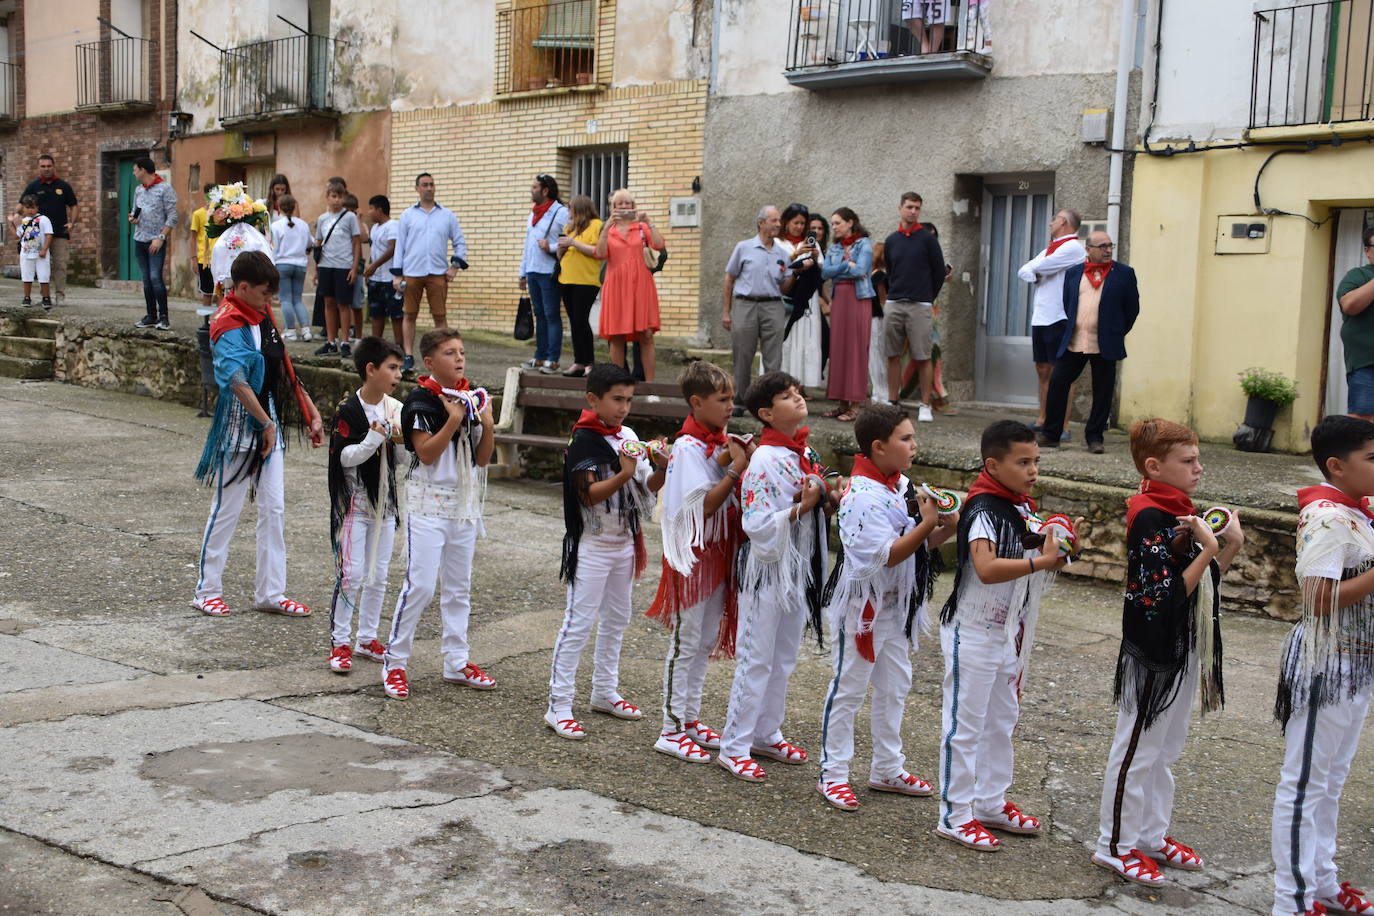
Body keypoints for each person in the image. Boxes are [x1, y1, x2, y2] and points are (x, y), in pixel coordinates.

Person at [1093, 419, 1243, 887]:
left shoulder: (1177, 510)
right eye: (1188, 461)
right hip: (1154, 649)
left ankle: (1151, 836)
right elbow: (1164, 596)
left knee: (1164, 749)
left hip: (1182, 644)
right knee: (1137, 747)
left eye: (1198, 458)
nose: (1199, 467)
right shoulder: (1149, 515)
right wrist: (1211, 546)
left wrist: (1228, 546)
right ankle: (1113, 845)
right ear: (1154, 467)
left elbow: (1201, 584)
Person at [936, 420, 1070, 851]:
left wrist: (1062, 547)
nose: (1033, 470)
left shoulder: (1015, 506)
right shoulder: (982, 510)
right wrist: (1041, 564)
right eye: (1023, 462)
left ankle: (990, 802)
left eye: (1036, 461)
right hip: (972, 632)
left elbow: (1033, 550)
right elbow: (987, 569)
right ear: (993, 464)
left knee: (1000, 723)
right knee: (965, 727)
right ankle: (955, 815)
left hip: (1004, 632)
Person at [816, 403, 954, 810]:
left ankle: (887, 767)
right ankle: (833, 773)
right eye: (906, 439)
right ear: (878, 447)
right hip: (863, 608)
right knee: (849, 688)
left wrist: (947, 525)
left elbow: (917, 550)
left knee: (896, 686)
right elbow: (888, 555)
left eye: (913, 437)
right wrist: (929, 524)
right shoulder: (860, 495)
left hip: (896, 606)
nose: (914, 445)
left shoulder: (901, 484)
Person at [1270, 415, 1374, 916]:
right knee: (1306, 782)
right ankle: (1291, 900)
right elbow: (1318, 599)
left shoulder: (1358, 512)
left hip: (1355, 665)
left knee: (1330, 781)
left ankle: (1324, 884)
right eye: (1372, 459)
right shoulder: (1329, 517)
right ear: (1337, 465)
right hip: (1325, 664)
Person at [192, 250, 324, 618]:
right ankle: (207, 590)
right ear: (244, 287)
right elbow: (234, 380)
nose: (272, 300)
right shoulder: (226, 321)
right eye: (266, 293)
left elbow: (283, 366)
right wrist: (265, 424)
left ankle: (271, 591)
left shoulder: (262, 315)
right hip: (240, 419)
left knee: (274, 507)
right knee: (227, 507)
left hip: (268, 415)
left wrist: (309, 410)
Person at [718, 371, 828, 781]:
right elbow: (758, 525)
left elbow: (815, 490)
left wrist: (823, 494)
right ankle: (734, 744)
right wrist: (805, 504)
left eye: (799, 393)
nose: (798, 399)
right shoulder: (765, 459)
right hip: (766, 571)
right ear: (766, 413)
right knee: (756, 658)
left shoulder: (803, 451)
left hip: (795, 568)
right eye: (786, 396)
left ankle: (766, 732)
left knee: (782, 658)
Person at [546, 362, 664, 738]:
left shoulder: (627, 434)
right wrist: (625, 473)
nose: (624, 407)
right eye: (617, 400)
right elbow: (587, 494)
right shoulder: (583, 439)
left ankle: (604, 691)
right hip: (593, 544)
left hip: (624, 543)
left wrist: (662, 467)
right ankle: (559, 704)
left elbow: (649, 484)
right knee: (578, 623)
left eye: (629, 400)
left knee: (617, 619)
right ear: (593, 399)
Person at [382, 328, 496, 700]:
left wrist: (488, 424)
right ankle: (395, 663)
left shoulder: (469, 399)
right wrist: (451, 420)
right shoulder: (420, 400)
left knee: (459, 588)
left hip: (462, 505)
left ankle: (456, 660)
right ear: (430, 362)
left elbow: (481, 459)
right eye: (450, 353)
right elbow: (426, 454)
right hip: (428, 505)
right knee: (421, 586)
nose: (459, 358)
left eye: (461, 351)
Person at [645, 360, 749, 762]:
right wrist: (736, 471)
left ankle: (689, 718)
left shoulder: (712, 442)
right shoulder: (688, 447)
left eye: (731, 399)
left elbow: (713, 475)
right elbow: (701, 507)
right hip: (692, 556)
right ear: (696, 402)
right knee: (687, 642)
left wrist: (729, 460)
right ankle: (670, 727)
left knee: (704, 641)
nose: (729, 407)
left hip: (715, 553)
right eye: (722, 400)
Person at [326, 336, 406, 674]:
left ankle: (367, 637)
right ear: (370, 370)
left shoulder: (396, 408)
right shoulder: (348, 410)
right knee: (352, 574)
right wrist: (374, 438)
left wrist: (400, 441)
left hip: (385, 503)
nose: (398, 374)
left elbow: (403, 458)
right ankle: (340, 641)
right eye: (392, 367)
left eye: (400, 368)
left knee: (379, 575)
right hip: (355, 504)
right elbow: (344, 457)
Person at [1038, 230, 1140, 454]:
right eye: (1102, 246)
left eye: (1110, 245)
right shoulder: (1074, 273)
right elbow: (1068, 303)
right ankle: (1051, 434)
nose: (1107, 250)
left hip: (1105, 342)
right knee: (1058, 383)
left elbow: (1132, 309)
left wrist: (1116, 332)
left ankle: (1094, 437)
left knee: (1102, 391)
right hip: (1075, 341)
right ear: (1088, 250)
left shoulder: (1124, 274)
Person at [391, 173, 468, 373]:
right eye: (425, 185)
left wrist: (455, 266)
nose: (429, 188)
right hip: (412, 271)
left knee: (440, 317)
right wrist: (398, 275)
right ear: (417, 188)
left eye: (432, 184)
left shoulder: (447, 215)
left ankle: (443, 355)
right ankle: (408, 355)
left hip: (437, 272)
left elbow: (460, 242)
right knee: (409, 314)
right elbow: (400, 246)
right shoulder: (408, 215)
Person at [723, 206, 797, 414]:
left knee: (773, 357)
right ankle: (739, 401)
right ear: (761, 222)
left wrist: (795, 273)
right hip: (745, 304)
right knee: (743, 355)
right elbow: (729, 279)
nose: (778, 224)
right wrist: (726, 312)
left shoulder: (783, 254)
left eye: (779, 221)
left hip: (773, 304)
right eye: (774, 220)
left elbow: (784, 287)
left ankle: (769, 402)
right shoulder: (743, 247)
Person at [1018, 209, 1085, 435]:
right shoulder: (1050, 248)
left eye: (1054, 218)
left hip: (1060, 317)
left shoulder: (1073, 247)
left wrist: (1036, 271)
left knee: (1062, 373)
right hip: (1042, 316)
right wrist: (1035, 271)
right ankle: (1043, 418)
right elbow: (1024, 270)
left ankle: (1063, 425)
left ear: (1064, 222)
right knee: (1043, 370)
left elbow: (1037, 268)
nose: (1050, 223)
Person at [882, 192, 945, 421]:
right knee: (892, 353)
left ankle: (925, 404)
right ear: (900, 208)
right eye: (909, 207)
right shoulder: (892, 240)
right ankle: (892, 401)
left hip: (920, 304)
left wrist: (927, 297)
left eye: (917, 208)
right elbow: (890, 268)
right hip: (895, 302)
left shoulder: (927, 240)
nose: (913, 211)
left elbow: (939, 271)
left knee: (923, 356)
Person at [596, 189, 664, 381]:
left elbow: (659, 245)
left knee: (647, 335)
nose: (624, 206)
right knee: (616, 336)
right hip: (616, 286)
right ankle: (619, 384)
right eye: (620, 204)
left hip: (640, 286)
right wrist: (606, 228)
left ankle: (650, 386)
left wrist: (650, 221)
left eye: (628, 203)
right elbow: (600, 254)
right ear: (613, 207)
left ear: (633, 206)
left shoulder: (642, 227)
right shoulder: (608, 229)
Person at [822, 207, 875, 422]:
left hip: (858, 299)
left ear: (850, 222)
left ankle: (855, 405)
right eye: (833, 223)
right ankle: (841, 403)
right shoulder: (835, 248)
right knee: (839, 349)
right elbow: (825, 272)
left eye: (837, 223)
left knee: (856, 349)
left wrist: (840, 269)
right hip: (840, 298)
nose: (834, 227)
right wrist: (846, 265)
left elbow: (861, 270)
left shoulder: (865, 244)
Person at [520, 174, 571, 374]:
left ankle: (553, 359)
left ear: (545, 190)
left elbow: (569, 238)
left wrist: (549, 246)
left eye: (534, 187)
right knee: (539, 314)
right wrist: (522, 272)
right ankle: (539, 357)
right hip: (533, 269)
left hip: (549, 271)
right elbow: (527, 245)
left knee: (551, 315)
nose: (531, 190)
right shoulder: (532, 215)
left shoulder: (560, 212)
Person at [777, 203, 825, 391]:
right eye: (795, 222)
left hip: (806, 299)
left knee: (804, 338)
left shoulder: (810, 243)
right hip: (785, 296)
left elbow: (822, 267)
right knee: (784, 339)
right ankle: (780, 383)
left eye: (802, 223)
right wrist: (795, 255)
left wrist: (814, 255)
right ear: (786, 222)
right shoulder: (778, 242)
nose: (799, 227)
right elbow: (777, 265)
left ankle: (800, 385)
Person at [555, 194, 603, 378]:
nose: (568, 212)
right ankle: (578, 362)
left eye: (570, 208)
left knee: (581, 319)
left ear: (580, 209)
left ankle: (590, 362)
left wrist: (573, 242)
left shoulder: (597, 225)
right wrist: (561, 248)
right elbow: (560, 257)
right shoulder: (569, 227)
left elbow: (598, 251)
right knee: (574, 321)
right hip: (566, 279)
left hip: (586, 280)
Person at [312, 182, 362, 358]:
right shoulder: (322, 219)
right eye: (334, 196)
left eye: (340, 196)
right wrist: (316, 270)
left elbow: (356, 243)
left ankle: (345, 341)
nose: (337, 200)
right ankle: (331, 341)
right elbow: (318, 244)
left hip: (344, 266)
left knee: (344, 305)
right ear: (327, 197)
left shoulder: (350, 217)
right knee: (328, 303)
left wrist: (354, 268)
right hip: (326, 265)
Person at [22, 154, 78, 306]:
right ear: (38, 168)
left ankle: (60, 297)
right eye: (43, 166)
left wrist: (72, 223)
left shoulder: (63, 186)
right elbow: (22, 205)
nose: (46, 169)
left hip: (60, 233)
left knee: (60, 265)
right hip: (38, 237)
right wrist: (15, 217)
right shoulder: (33, 187)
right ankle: (44, 297)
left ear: (54, 166)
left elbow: (73, 206)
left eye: (48, 166)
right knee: (41, 266)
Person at [129, 156, 177, 331]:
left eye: (135, 169)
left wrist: (161, 238)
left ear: (143, 170)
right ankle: (151, 315)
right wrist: (133, 218)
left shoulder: (165, 188)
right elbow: (135, 212)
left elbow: (172, 216)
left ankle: (164, 317)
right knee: (146, 279)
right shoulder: (138, 190)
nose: (134, 173)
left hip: (156, 241)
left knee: (156, 277)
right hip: (139, 239)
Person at [1335, 226, 1374, 421]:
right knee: (1363, 422)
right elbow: (1350, 305)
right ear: (1367, 251)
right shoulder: (1357, 276)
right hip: (1367, 364)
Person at [270, 195, 312, 341]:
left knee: (285, 299)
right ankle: (306, 330)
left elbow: (274, 248)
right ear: (294, 207)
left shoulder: (275, 226)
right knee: (297, 299)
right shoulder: (303, 224)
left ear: (279, 208)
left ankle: (291, 331)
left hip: (283, 264)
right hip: (300, 264)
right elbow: (309, 244)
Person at [364, 195, 402, 346]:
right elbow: (375, 250)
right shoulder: (374, 228)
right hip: (376, 279)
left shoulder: (393, 225)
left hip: (390, 278)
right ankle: (376, 345)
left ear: (380, 209)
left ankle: (400, 346)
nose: (369, 212)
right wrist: (370, 267)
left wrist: (374, 266)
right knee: (376, 313)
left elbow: (392, 248)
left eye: (371, 208)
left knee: (396, 314)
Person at [16, 195, 53, 309]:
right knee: (27, 276)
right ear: (24, 208)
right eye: (27, 207)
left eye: (32, 207)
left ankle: (45, 297)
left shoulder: (44, 219)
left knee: (44, 276)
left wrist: (44, 249)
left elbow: (48, 235)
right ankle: (27, 297)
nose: (30, 210)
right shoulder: (22, 221)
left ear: (37, 207)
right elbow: (18, 236)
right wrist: (11, 223)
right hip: (26, 253)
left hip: (40, 253)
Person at [188, 183, 217, 308]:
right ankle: (207, 321)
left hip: (218, 257)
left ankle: (220, 322)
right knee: (207, 291)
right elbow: (193, 237)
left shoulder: (222, 214)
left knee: (221, 291)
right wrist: (194, 258)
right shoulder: (198, 214)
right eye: (209, 195)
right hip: (203, 258)